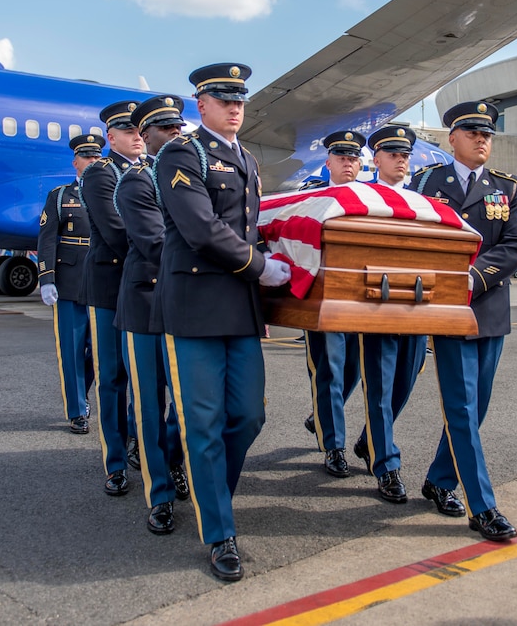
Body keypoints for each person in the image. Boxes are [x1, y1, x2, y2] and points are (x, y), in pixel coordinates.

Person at [154, 63, 290, 581]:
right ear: (201, 104)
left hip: (240, 306)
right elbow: (200, 228)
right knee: (205, 420)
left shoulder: (247, 160)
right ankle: (219, 530)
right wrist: (259, 266)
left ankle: (197, 482)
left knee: (248, 416)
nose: (235, 107)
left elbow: (250, 227)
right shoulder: (181, 153)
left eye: (240, 99)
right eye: (223, 98)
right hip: (196, 304)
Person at [407, 101, 517, 542]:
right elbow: (414, 238)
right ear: (451, 138)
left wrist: (473, 279)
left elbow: (514, 246)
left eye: (488, 134)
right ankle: (483, 506)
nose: (482, 140)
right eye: (473, 132)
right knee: (460, 404)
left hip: (489, 307)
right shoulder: (426, 183)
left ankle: (439, 480)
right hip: (447, 309)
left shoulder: (508, 187)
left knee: (476, 408)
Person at [113, 95, 189, 535]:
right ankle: (159, 494)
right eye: (164, 128)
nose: (175, 134)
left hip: (180, 302)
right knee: (148, 404)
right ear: (144, 136)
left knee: (182, 404)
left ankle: (175, 461)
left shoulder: (187, 175)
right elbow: (157, 244)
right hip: (145, 304)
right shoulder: (136, 183)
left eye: (177, 127)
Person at [348, 124, 429, 502]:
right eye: (393, 153)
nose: (401, 159)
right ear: (376, 159)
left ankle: (369, 440)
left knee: (405, 384)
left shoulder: (423, 200)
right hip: (376, 303)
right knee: (379, 388)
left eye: (405, 154)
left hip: (416, 304)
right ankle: (387, 466)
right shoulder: (360, 196)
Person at [80, 100, 144, 496]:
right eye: (128, 129)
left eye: (140, 129)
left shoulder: (152, 170)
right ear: (111, 136)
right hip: (110, 287)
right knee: (112, 377)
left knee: (146, 377)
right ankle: (115, 460)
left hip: (141, 284)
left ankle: (139, 443)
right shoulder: (101, 174)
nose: (137, 135)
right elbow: (117, 230)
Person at [299, 131, 366, 478]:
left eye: (353, 158)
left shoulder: (371, 198)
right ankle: (334, 447)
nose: (347, 163)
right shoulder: (310, 194)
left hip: (360, 298)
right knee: (330, 370)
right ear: (328, 163)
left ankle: (321, 416)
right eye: (341, 157)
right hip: (322, 298)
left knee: (353, 368)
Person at [37, 134, 101, 435]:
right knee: (73, 348)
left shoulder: (112, 192)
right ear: (76, 162)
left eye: (96, 156)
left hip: (104, 279)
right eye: (86, 156)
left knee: (99, 350)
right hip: (70, 281)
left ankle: (82, 393)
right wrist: (46, 278)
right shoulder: (61, 196)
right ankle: (77, 410)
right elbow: (47, 238)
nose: (92, 161)